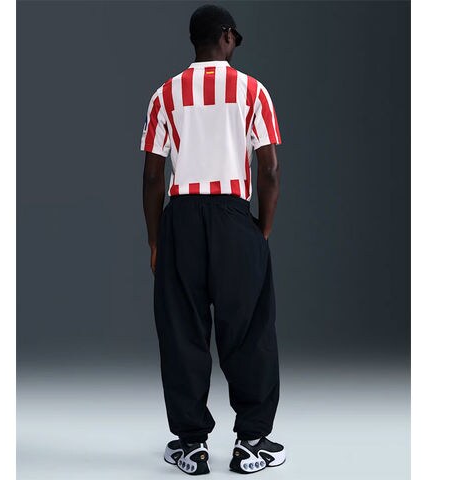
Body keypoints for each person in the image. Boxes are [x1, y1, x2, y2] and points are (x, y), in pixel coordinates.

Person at [140, 4, 285, 475]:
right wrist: (261, 231)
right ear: (225, 36)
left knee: (182, 330)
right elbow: (269, 168)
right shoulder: (252, 91)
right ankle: (252, 442)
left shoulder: (164, 94)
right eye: (234, 37)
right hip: (233, 217)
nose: (235, 44)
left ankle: (191, 446)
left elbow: (153, 176)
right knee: (248, 330)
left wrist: (156, 241)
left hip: (180, 218)